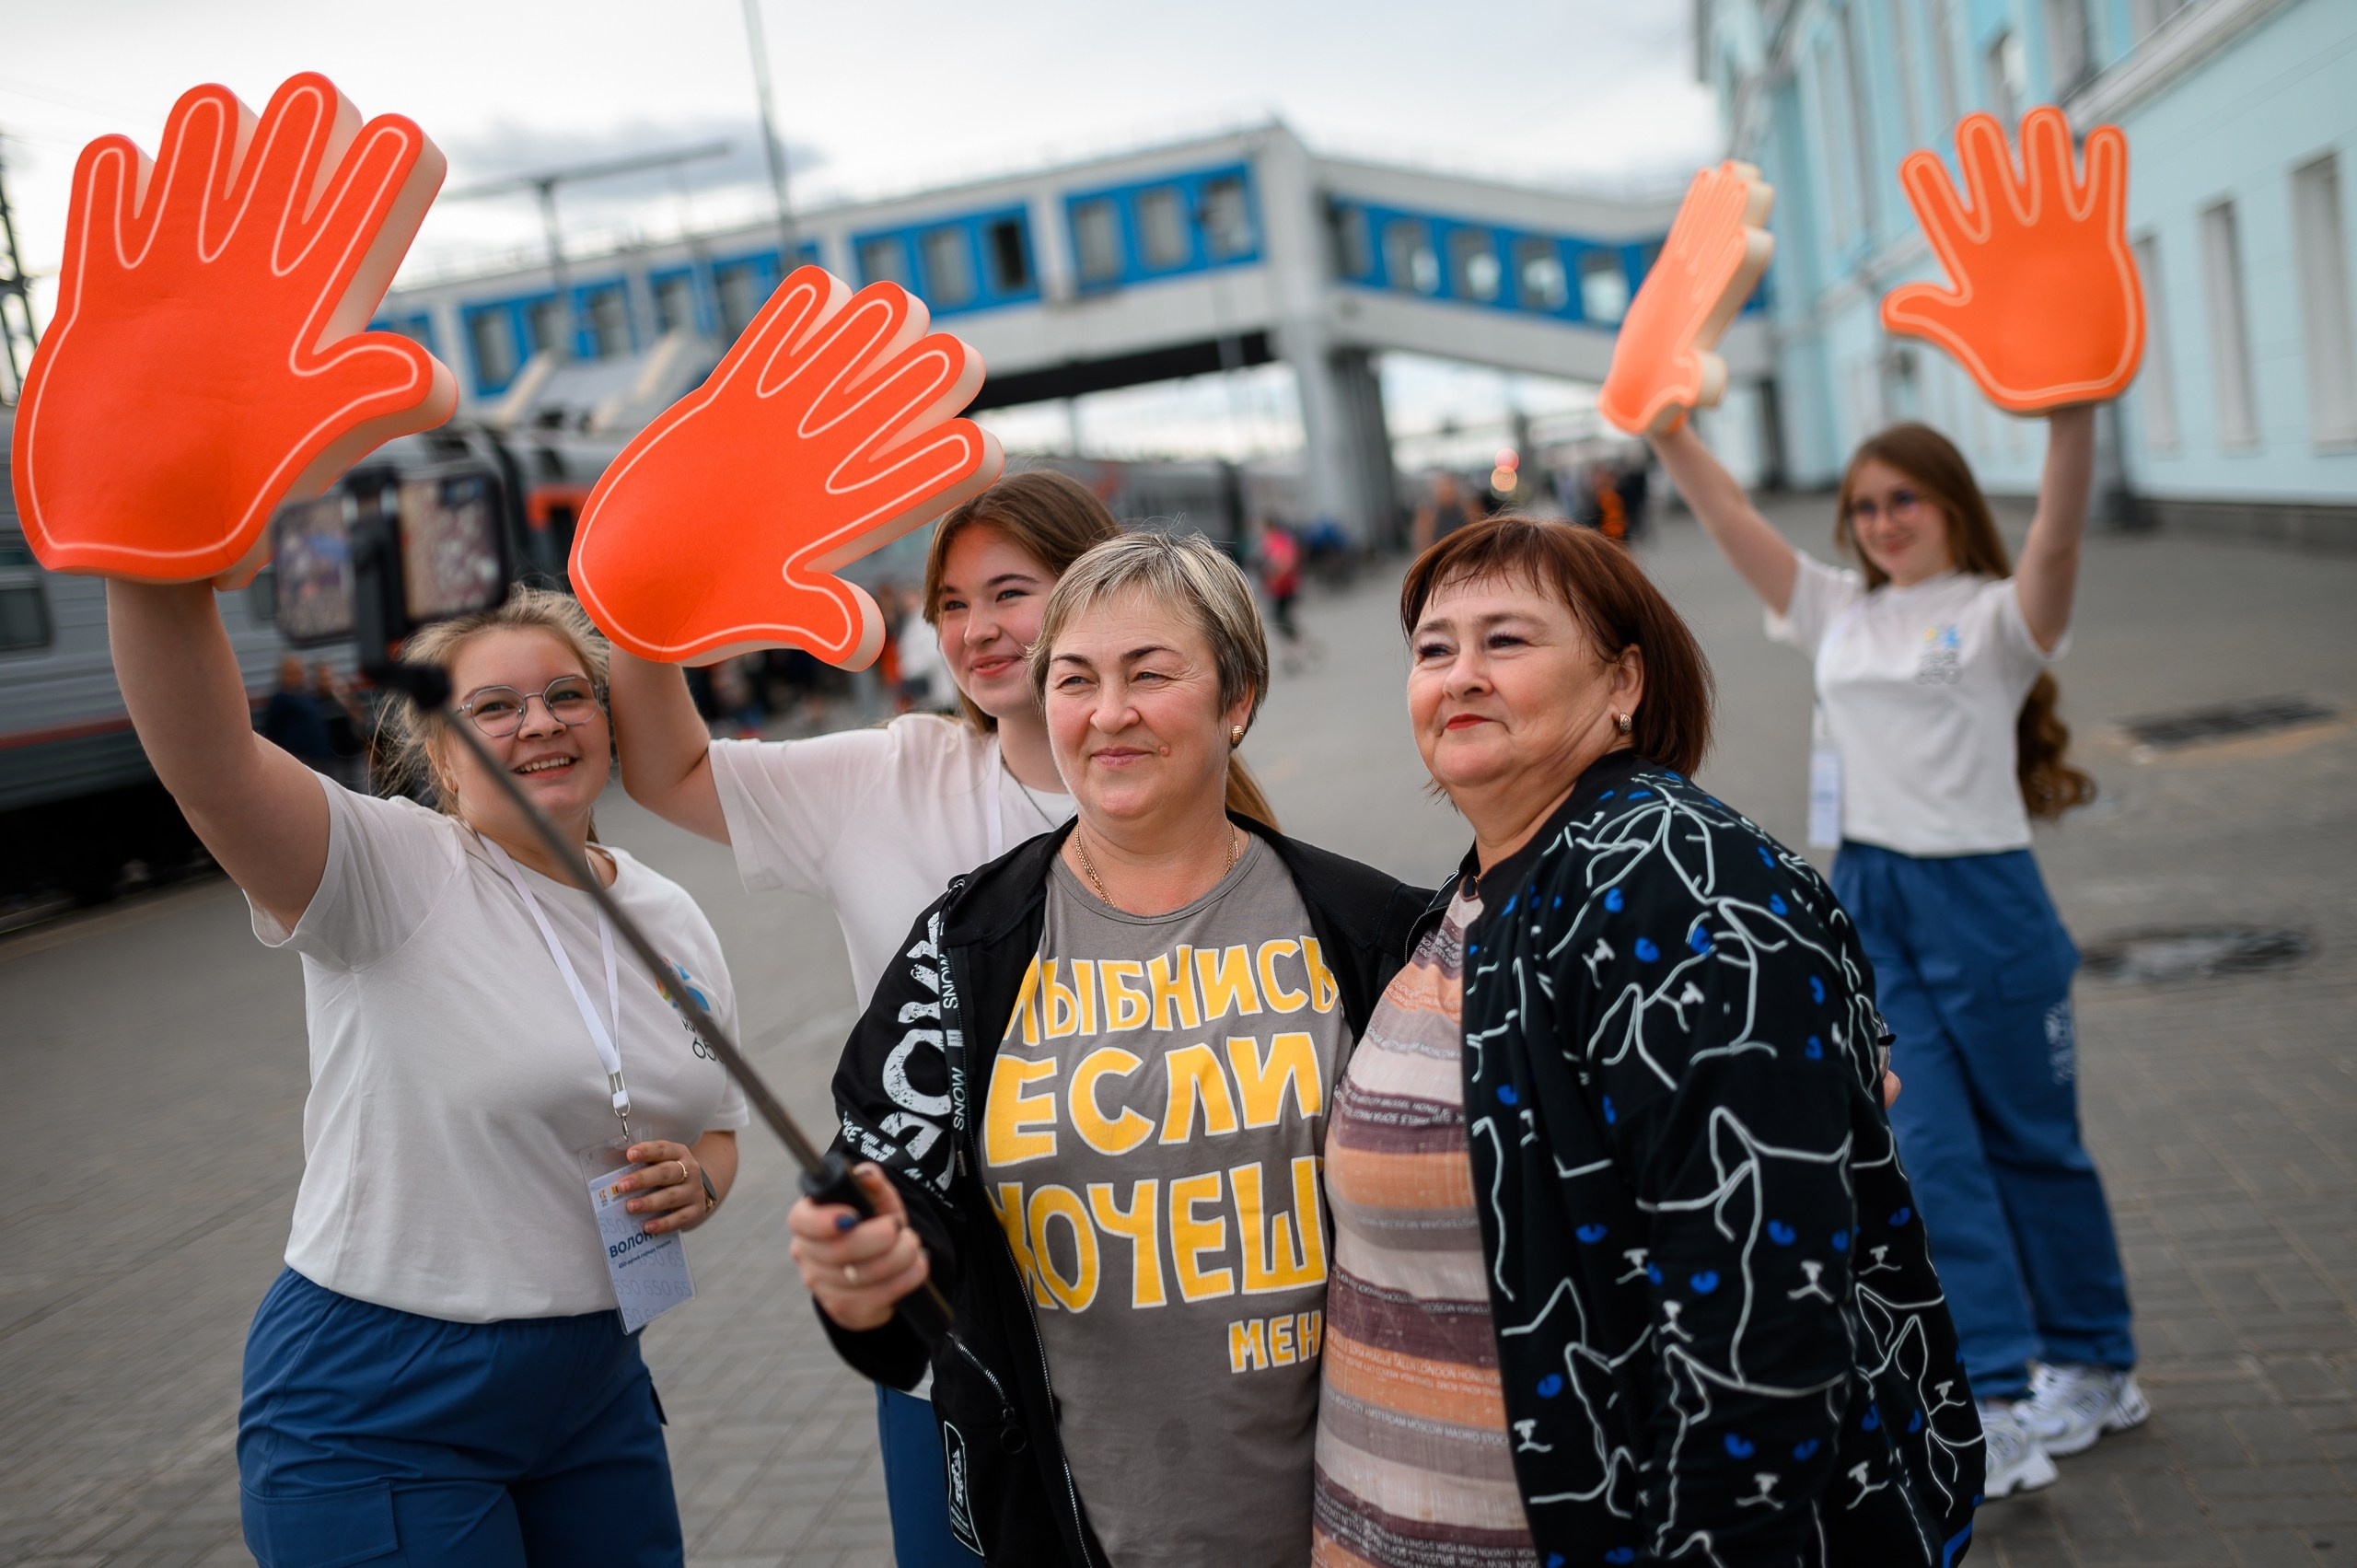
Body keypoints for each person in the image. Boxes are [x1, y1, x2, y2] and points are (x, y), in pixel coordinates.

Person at [1312, 515, 1980, 1568]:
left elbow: (1761, 1295)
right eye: (1433, 649)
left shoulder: (1675, 881)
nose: (1461, 675)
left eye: (1508, 641)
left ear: (1622, 682)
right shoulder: (1492, 884)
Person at [609, 470, 1227, 1567]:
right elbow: (664, 768)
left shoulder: (1175, 779)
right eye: (951, 601)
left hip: (1164, 1316)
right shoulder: (892, 776)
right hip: (949, 1326)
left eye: (1009, 592)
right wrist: (648, 596)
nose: (978, 629)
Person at [786, 531, 1430, 1566]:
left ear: (1238, 697)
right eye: (1076, 678)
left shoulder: (1375, 932)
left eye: (1150, 672)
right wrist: (867, 1277)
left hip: (1359, 1527)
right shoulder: (967, 946)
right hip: (1071, 1530)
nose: (1109, 711)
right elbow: (897, 1196)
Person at [106, 582, 747, 1566]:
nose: (539, 720)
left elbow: (720, 1123)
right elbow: (210, 761)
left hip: (593, 1384)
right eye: (492, 706)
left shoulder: (669, 912)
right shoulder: (389, 870)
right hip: (383, 1396)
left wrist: (697, 1180)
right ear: (442, 758)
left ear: (607, 723)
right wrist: (157, 572)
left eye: (567, 694)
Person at [1648, 409, 2140, 1496]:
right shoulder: (1833, 610)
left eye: (1901, 500)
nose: (1880, 522)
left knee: (2032, 1142)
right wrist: (1670, 429)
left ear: (1949, 505)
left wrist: (2071, 418)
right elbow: (1727, 513)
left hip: (1984, 899)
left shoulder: (2000, 615)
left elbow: (2056, 538)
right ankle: (2000, 1393)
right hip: (1870, 898)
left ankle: (2097, 1360)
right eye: (1864, 506)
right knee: (1928, 1148)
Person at [258, 655, 335, 772]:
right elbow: (272, 729)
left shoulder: (307, 695)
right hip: (298, 758)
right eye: (292, 672)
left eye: (299, 671)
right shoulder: (280, 699)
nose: (297, 675)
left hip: (319, 756)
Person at [1411, 471, 1475, 552]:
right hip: (1440, 552)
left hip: (1464, 550)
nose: (1447, 490)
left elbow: (1477, 526)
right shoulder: (1428, 510)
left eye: (1449, 486)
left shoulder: (1467, 504)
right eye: (1442, 487)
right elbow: (1422, 538)